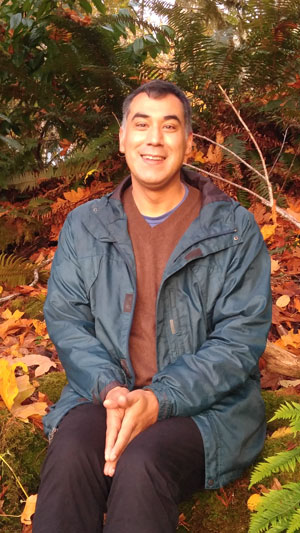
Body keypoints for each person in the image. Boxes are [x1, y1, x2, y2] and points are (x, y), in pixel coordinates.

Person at [33, 80, 272, 533]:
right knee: (69, 453)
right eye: (142, 125)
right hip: (104, 395)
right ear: (123, 137)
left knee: (142, 463)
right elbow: (66, 319)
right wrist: (110, 391)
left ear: (188, 141)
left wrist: (159, 400)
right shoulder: (85, 224)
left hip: (206, 411)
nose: (155, 139)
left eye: (170, 126)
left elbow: (239, 341)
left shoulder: (233, 229)